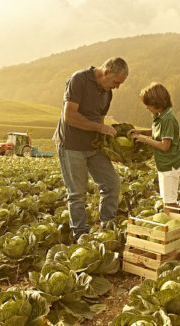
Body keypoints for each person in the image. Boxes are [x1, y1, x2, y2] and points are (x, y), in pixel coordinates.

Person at [53, 57, 128, 241]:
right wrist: (99, 128)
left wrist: (111, 150)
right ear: (106, 72)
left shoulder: (107, 93)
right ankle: (80, 234)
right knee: (77, 194)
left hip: (94, 147)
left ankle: (107, 226)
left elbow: (100, 122)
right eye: (116, 82)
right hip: (71, 145)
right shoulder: (79, 80)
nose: (117, 87)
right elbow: (69, 116)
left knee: (112, 184)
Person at [129, 83, 180, 209]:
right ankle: (171, 224)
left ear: (157, 103)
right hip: (164, 164)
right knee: (166, 199)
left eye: (148, 105)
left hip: (170, 165)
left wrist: (143, 139)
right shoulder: (160, 115)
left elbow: (165, 146)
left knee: (170, 203)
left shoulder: (168, 119)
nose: (146, 108)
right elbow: (157, 133)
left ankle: (174, 226)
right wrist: (141, 132)